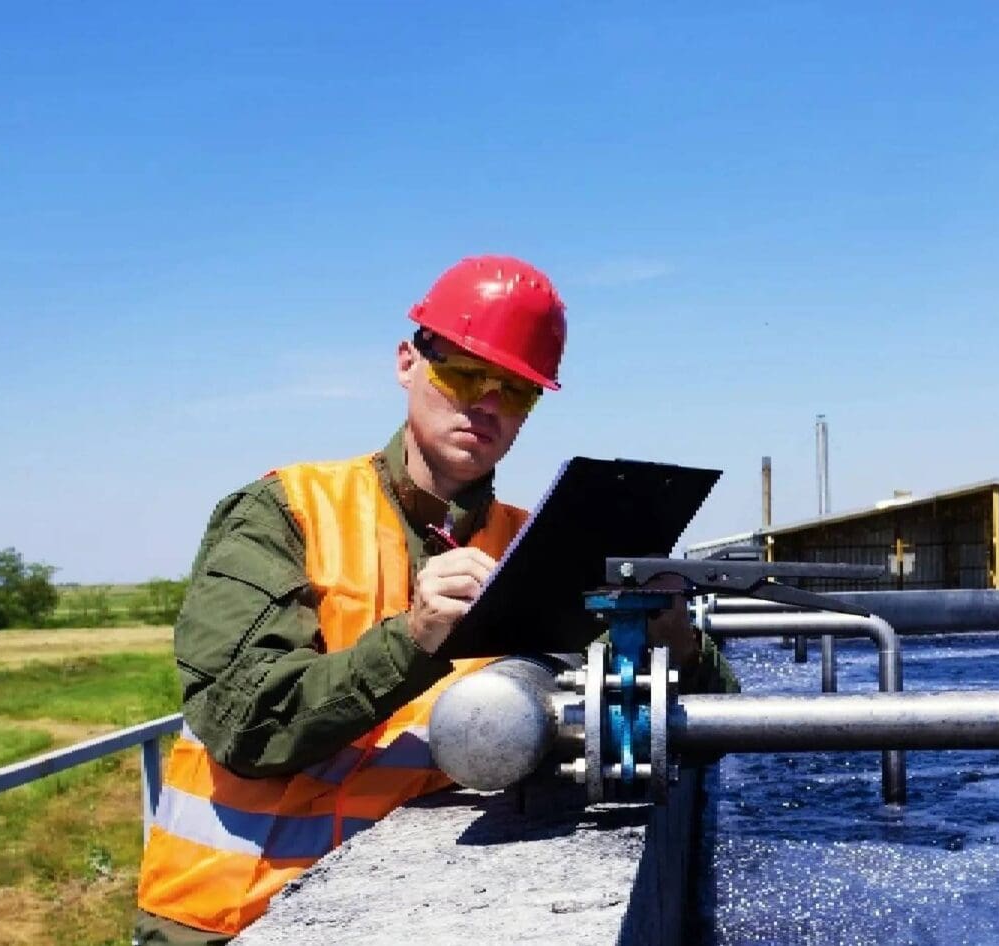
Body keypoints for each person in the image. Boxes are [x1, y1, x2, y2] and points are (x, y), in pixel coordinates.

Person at [133, 256, 735, 944]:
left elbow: (709, 730)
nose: (486, 403)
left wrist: (675, 643)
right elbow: (243, 723)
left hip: (413, 910)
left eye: (517, 390)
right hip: (234, 915)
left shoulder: (529, 547)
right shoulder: (284, 512)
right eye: (463, 373)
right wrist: (413, 638)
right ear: (405, 362)